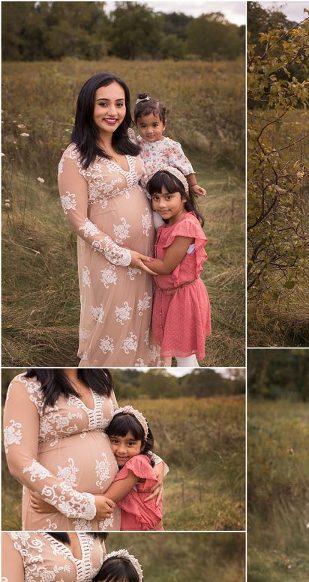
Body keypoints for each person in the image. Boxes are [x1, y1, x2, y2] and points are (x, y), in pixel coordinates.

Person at [58, 72, 162, 366]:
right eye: (103, 104)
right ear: (88, 107)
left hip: (147, 254)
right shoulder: (74, 156)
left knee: (145, 321)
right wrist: (121, 254)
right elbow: (77, 219)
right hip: (110, 259)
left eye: (119, 104)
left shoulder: (130, 142)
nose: (113, 112)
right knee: (113, 327)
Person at [3, 369, 164, 530]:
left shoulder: (102, 377)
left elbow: (121, 432)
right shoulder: (25, 385)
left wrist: (156, 463)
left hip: (106, 512)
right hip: (54, 510)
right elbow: (19, 461)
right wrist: (84, 505)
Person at [144, 168, 211, 367]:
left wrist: (133, 259)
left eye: (168, 197)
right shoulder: (169, 222)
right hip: (169, 295)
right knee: (176, 350)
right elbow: (158, 220)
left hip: (183, 298)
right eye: (156, 198)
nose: (161, 204)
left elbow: (165, 266)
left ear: (183, 197)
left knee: (185, 356)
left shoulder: (186, 226)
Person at [132, 93, 206, 228]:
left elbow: (185, 166)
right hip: (144, 193)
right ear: (137, 125)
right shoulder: (137, 143)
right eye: (143, 126)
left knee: (160, 224)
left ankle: (173, 240)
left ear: (164, 124)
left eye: (155, 125)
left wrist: (193, 185)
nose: (149, 131)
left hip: (164, 191)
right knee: (146, 224)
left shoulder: (169, 146)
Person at [103, 407, 164, 530]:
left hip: (142, 527)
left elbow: (108, 499)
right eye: (115, 441)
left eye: (130, 443)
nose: (121, 450)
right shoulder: (142, 459)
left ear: (142, 446)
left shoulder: (137, 463)